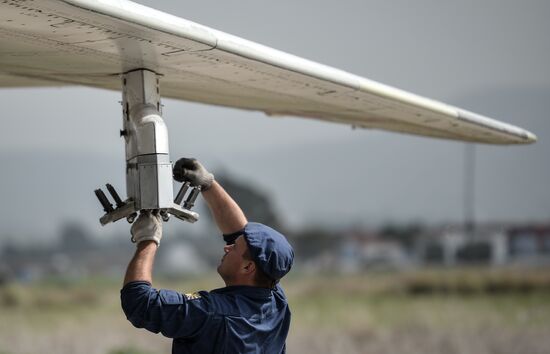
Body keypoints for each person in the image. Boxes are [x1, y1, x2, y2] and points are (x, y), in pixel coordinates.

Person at [121, 158, 294, 354]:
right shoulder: (275, 304)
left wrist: (148, 239)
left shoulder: (210, 314)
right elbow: (240, 232)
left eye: (234, 248)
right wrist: (208, 184)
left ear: (248, 268)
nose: (227, 248)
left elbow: (139, 302)